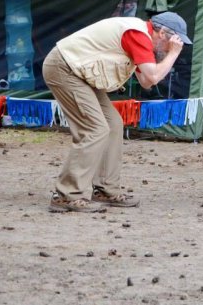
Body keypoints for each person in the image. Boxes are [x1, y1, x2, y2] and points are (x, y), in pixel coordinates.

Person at [44, 12, 190, 212]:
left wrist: (170, 53)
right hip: (65, 69)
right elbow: (154, 77)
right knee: (95, 129)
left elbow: (146, 82)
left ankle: (105, 189)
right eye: (172, 43)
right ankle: (66, 195)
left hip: (79, 73)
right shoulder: (137, 34)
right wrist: (173, 54)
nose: (172, 48)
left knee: (113, 124)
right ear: (162, 33)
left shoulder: (141, 38)